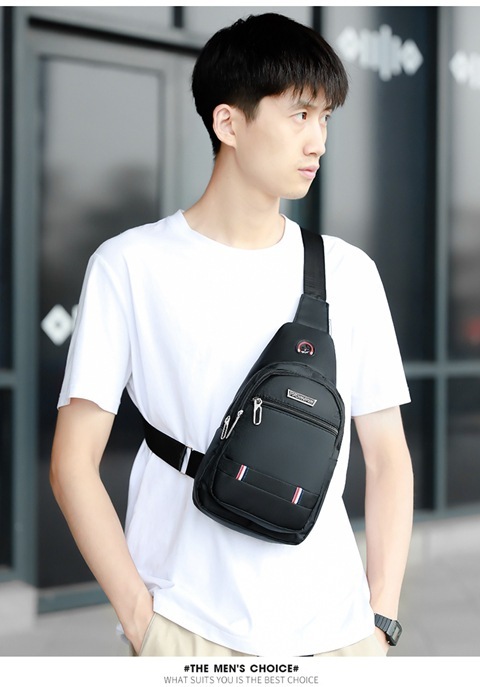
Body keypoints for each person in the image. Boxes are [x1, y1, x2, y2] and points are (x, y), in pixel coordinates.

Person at [50, 12, 413, 657]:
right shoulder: (130, 266)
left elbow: (388, 458)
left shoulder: (349, 273)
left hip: (337, 632)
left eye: (326, 118)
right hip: (188, 627)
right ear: (228, 123)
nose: (318, 141)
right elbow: (73, 462)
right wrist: (144, 623)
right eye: (299, 114)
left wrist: (380, 620)